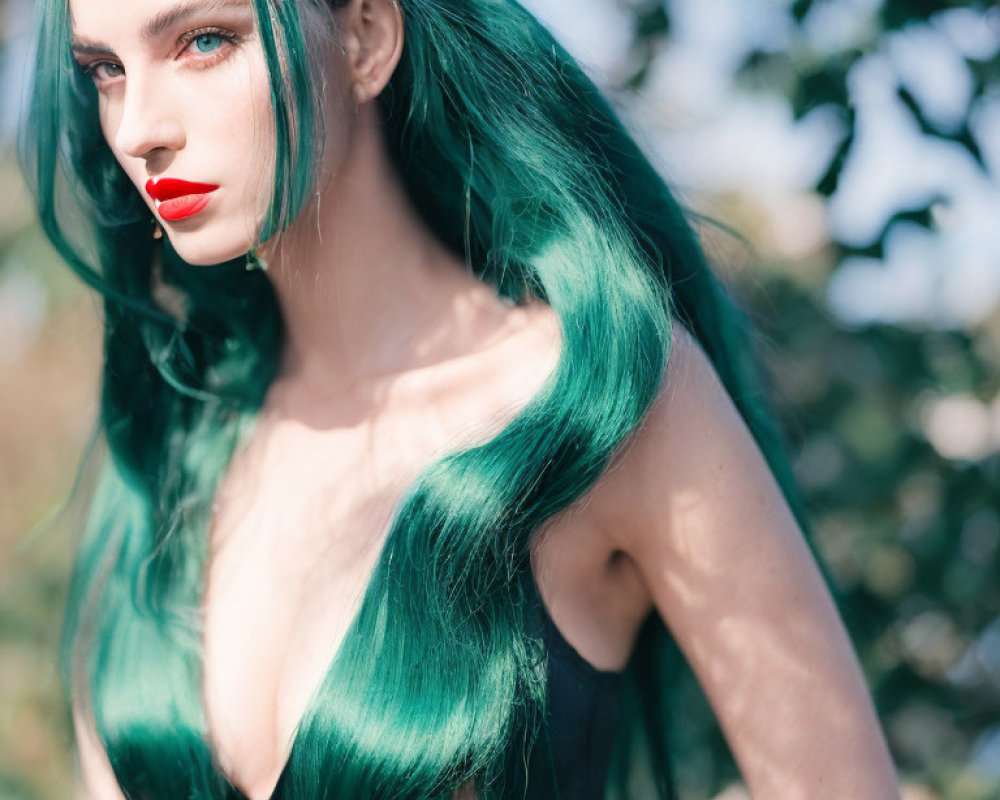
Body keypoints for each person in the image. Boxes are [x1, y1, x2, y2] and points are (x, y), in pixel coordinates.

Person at [17, 0, 903, 798]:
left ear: (365, 36)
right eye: (106, 69)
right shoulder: (166, 449)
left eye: (205, 41)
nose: (138, 128)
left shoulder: (605, 398)